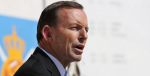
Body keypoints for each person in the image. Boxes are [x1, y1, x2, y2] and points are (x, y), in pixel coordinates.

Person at [14, 1, 88, 76]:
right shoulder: (33, 73)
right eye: (74, 27)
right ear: (48, 34)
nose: (85, 36)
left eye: (86, 30)